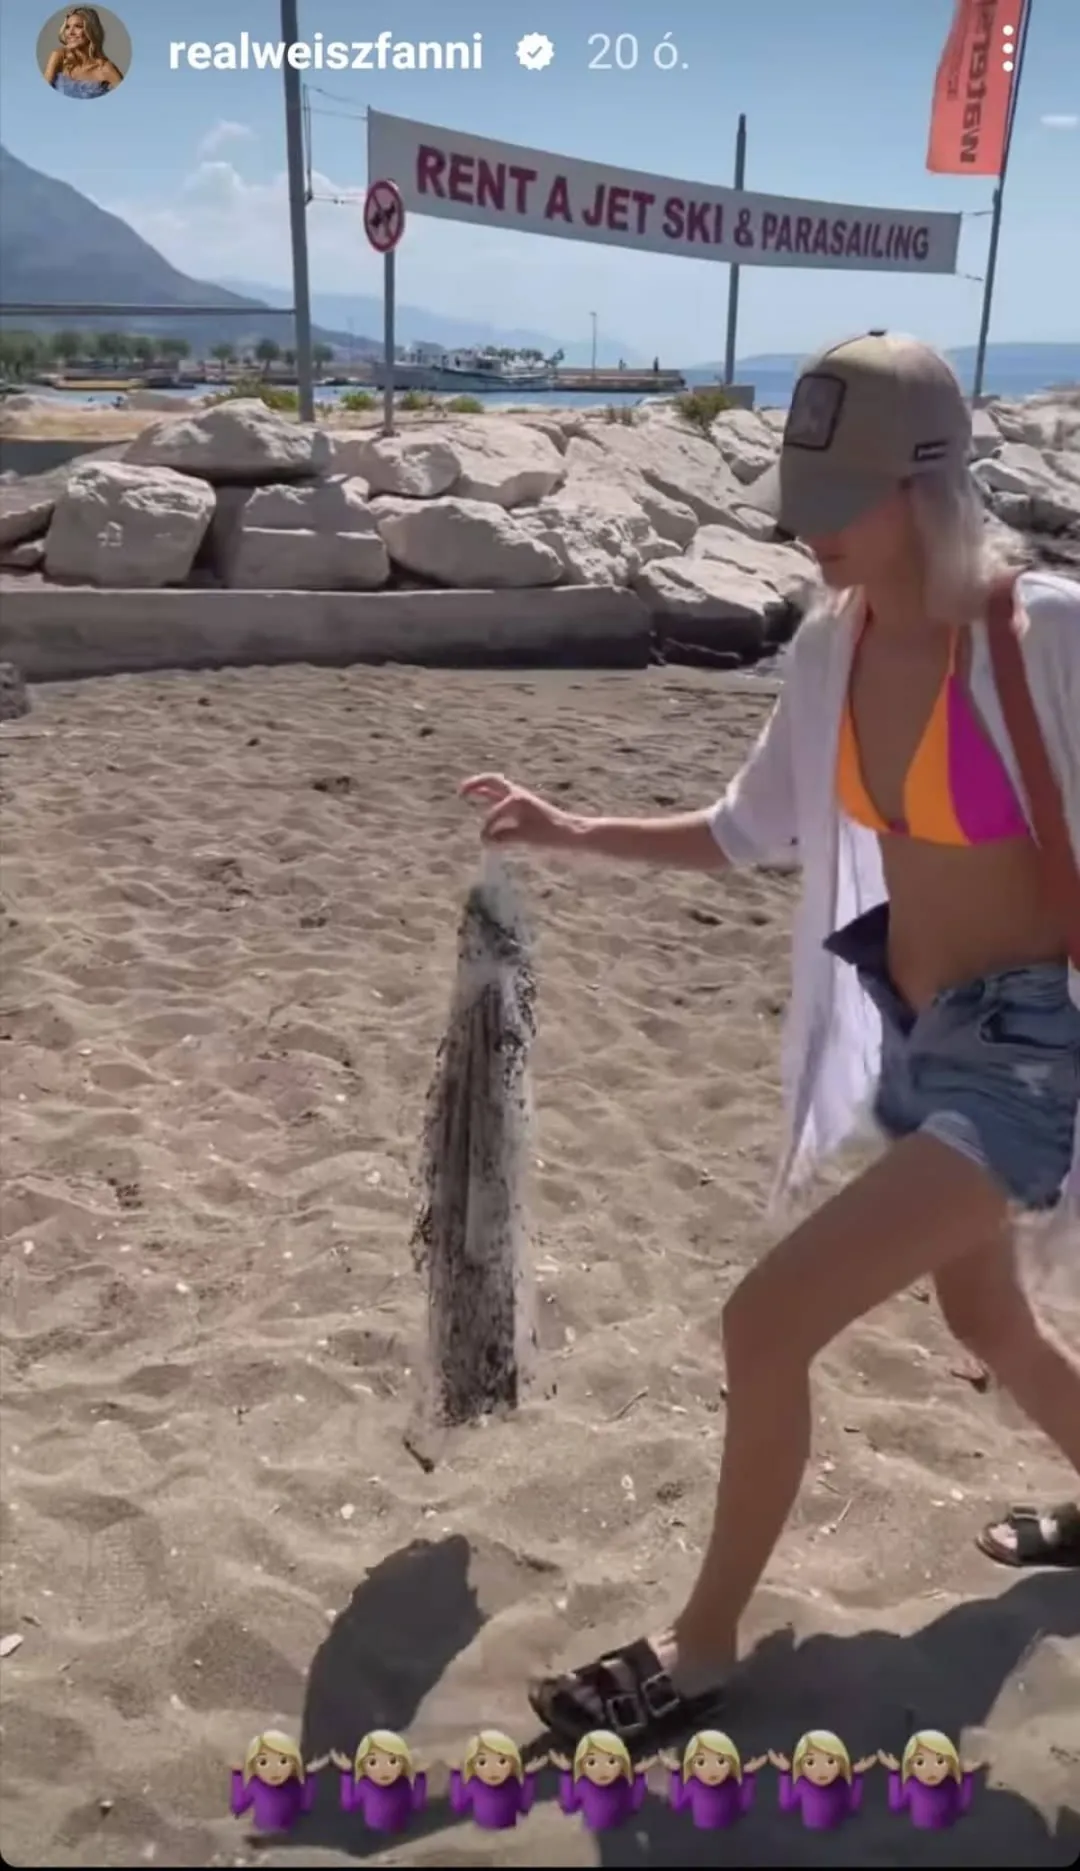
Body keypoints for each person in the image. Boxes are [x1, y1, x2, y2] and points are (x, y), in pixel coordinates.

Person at [460, 332, 1080, 1745]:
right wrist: (570, 826)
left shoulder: (1044, 637)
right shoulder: (830, 643)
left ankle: (703, 1647)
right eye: (803, 497)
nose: (808, 529)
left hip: (1032, 1052)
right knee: (986, 1318)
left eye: (839, 499)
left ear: (926, 486)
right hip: (923, 1037)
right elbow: (751, 830)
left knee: (764, 1320)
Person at [45, 7, 124, 98]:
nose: (70, 32)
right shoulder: (59, 56)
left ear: (91, 31)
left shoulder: (105, 68)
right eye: (67, 27)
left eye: (78, 26)